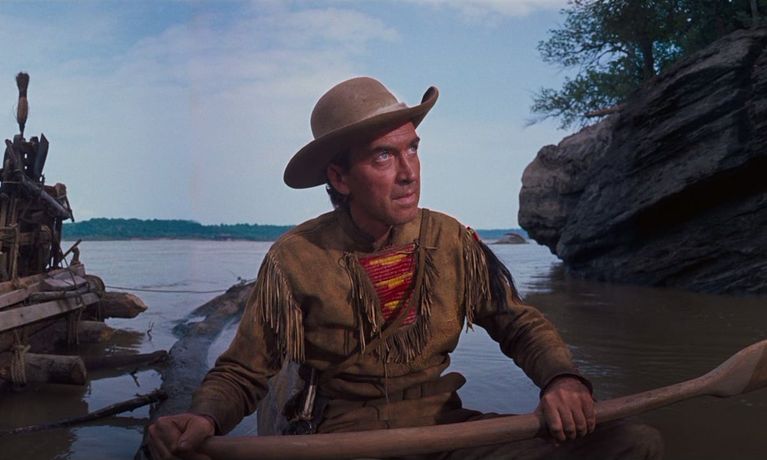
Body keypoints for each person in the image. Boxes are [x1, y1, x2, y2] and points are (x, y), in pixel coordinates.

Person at [147, 77, 663, 459]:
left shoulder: (451, 240)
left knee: (631, 443)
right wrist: (204, 416)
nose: (408, 172)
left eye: (412, 149)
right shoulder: (295, 258)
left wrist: (562, 380)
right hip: (344, 443)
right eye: (383, 157)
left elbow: (518, 324)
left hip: (446, 429)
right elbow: (243, 372)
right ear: (340, 178)